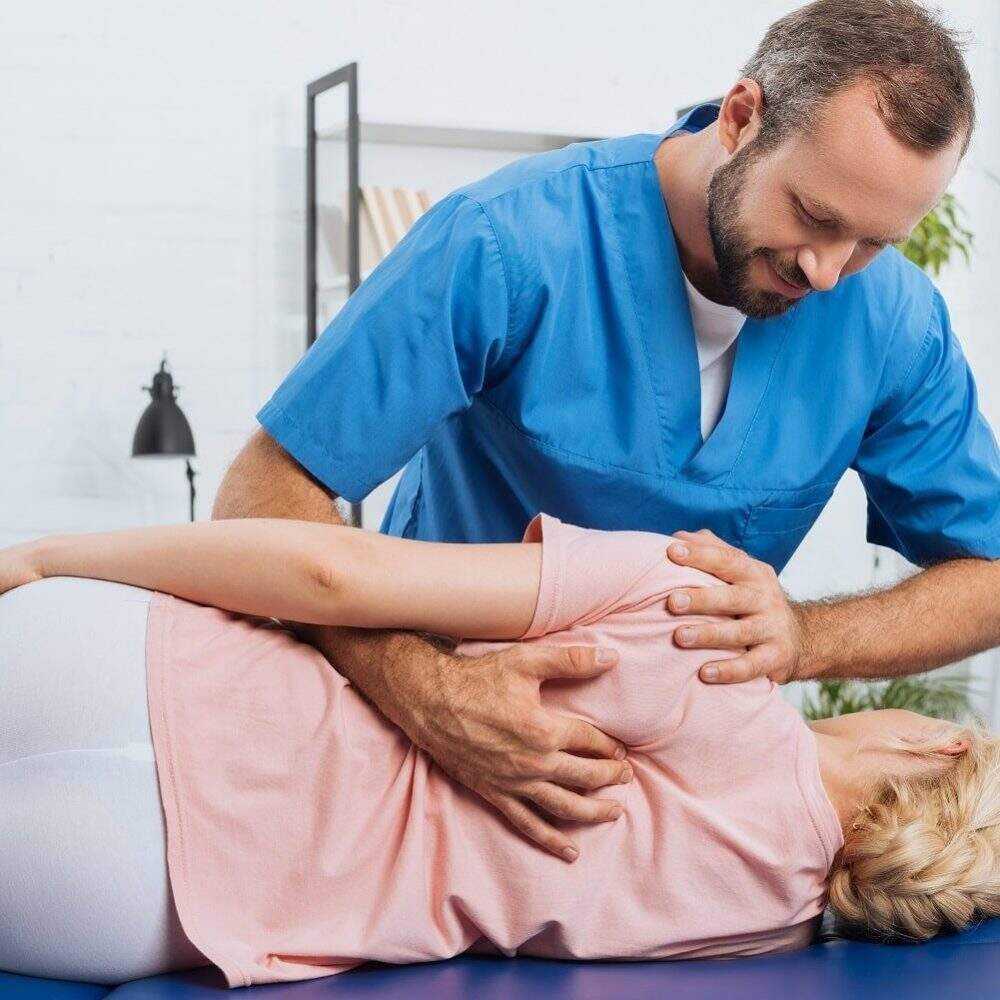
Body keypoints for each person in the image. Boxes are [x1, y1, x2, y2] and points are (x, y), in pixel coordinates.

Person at [213, 0, 1000, 864]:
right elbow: (262, 489)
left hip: (669, 808)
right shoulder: (507, 239)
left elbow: (989, 573)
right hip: (425, 751)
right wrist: (427, 689)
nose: (825, 272)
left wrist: (808, 638)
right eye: (813, 216)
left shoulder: (892, 323)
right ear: (742, 118)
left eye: (871, 243)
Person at [1, 517, 998, 987]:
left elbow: (332, 574)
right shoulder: (762, 930)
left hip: (143, 674)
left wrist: (51, 555)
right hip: (154, 896)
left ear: (938, 739)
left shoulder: (702, 622)